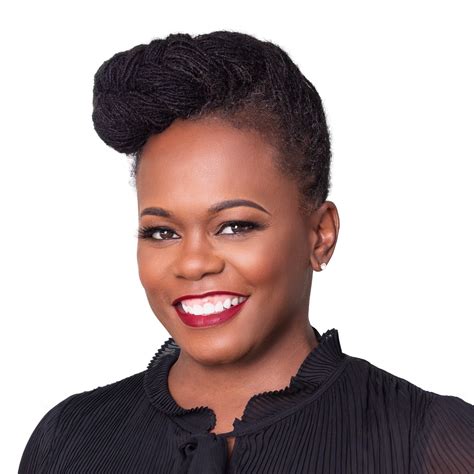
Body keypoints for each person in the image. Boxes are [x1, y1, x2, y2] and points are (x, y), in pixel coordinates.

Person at [19, 30, 473, 474]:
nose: (193, 263)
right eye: (162, 232)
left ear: (320, 235)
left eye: (235, 226)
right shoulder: (67, 440)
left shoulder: (432, 442)